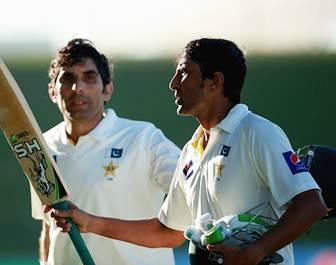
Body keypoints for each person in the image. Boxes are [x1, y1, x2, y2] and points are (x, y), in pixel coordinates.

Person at [48, 38, 328, 265]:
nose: (173, 83)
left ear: (214, 82)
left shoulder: (257, 132)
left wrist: (252, 254)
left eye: (183, 73)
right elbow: (166, 231)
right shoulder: (191, 151)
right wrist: (89, 222)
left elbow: (311, 204)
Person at [31, 38, 181, 265]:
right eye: (68, 79)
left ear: (107, 90)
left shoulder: (145, 138)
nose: (77, 87)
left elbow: (191, 204)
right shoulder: (41, 146)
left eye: (89, 78)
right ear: (53, 91)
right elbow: (47, 224)